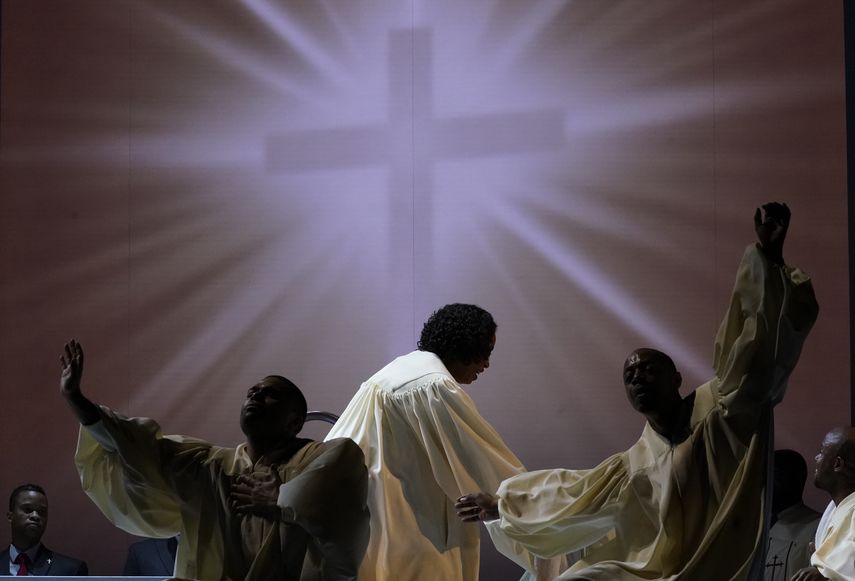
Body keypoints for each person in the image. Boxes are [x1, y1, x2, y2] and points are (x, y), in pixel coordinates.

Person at [456, 202, 819, 580]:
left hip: (718, 568)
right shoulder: (635, 465)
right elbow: (573, 493)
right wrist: (501, 504)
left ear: (675, 378)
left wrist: (769, 258)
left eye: (648, 369)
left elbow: (758, 348)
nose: (638, 378)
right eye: (630, 375)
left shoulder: (723, 410)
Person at [60, 341, 369, 581]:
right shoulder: (209, 465)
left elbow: (340, 519)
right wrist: (77, 399)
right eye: (252, 391)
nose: (255, 396)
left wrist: (281, 499)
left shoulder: (323, 458)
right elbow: (135, 446)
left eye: (270, 394)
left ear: (295, 421)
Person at [326, 303, 556, 581]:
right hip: (412, 520)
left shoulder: (395, 371)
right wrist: (533, 501)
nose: (486, 364)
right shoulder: (432, 385)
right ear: (465, 345)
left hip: (368, 512)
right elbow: (479, 456)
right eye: (486, 352)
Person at [790, 427, 855, 581]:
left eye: (821, 453)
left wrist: (824, 576)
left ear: (837, 464)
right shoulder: (835, 508)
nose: (816, 458)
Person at [1, 483, 88, 576]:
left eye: (41, 511)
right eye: (28, 509)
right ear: (10, 516)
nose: (35, 516)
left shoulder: (71, 570)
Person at [764, 450, 821, 581]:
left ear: (795, 481)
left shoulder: (818, 527)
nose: (765, 486)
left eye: (775, 478)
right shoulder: (756, 525)